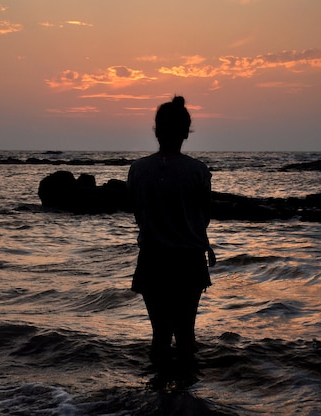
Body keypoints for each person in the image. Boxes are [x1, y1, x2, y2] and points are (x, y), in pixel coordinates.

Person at [127, 96, 214, 375]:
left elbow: (138, 213)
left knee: (159, 335)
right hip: (189, 260)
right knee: (186, 334)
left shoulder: (138, 170)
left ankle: (158, 399)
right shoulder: (198, 171)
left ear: (156, 130)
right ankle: (187, 400)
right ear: (186, 133)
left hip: (153, 258)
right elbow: (204, 218)